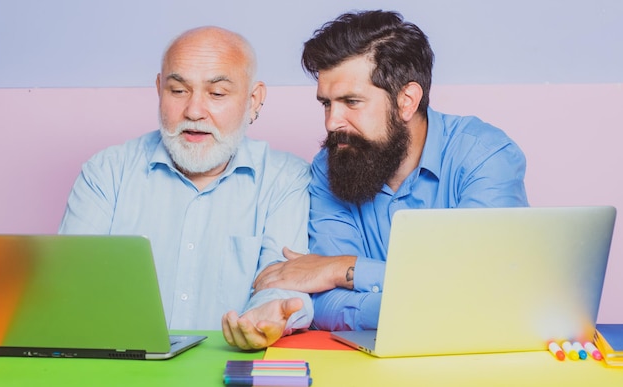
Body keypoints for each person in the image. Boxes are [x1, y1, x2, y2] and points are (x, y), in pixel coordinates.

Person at [253, 10, 529, 331]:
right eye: (326, 104)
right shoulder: (329, 167)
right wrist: (433, 305)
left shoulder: (485, 156)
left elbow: (485, 290)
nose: (331, 122)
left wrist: (345, 269)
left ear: (406, 101)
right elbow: (325, 302)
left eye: (351, 102)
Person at [59, 26, 312, 349]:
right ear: (158, 89)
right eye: (178, 91)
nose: (193, 111)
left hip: (231, 368)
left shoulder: (286, 179)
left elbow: (285, 280)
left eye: (217, 94)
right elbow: (69, 286)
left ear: (253, 99)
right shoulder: (107, 173)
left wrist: (269, 313)